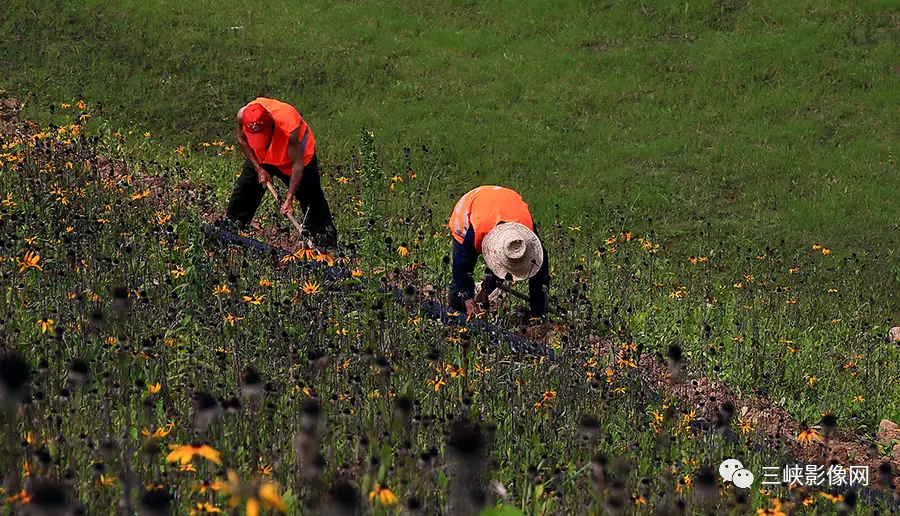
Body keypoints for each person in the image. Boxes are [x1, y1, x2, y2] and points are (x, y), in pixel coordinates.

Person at [225, 97, 338, 249]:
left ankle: (324, 242)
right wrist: (259, 169)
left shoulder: (289, 127)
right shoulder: (243, 116)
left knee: (311, 198)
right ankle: (232, 230)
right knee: (246, 188)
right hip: (263, 155)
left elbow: (297, 165)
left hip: (296, 157)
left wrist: (289, 198)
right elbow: (241, 139)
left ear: (270, 125)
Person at [447, 185, 550, 318]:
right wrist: (468, 301)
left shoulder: (527, 233)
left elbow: (540, 269)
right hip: (471, 208)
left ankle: (485, 289)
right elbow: (460, 267)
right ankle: (457, 314)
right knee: (460, 289)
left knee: (518, 264)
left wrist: (539, 313)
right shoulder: (474, 233)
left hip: (507, 203)